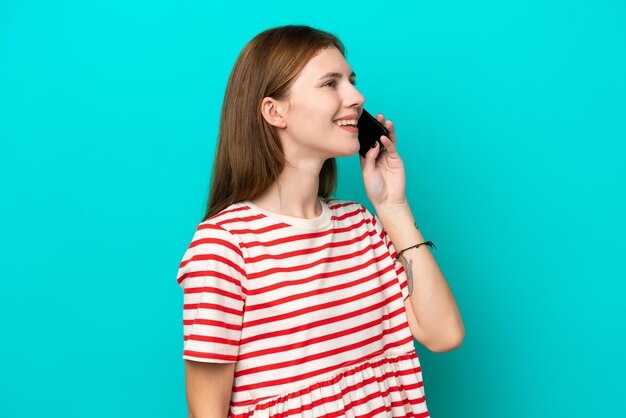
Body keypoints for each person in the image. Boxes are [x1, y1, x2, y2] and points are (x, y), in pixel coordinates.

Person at [176, 25, 465, 418]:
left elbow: (444, 334)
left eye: (351, 80)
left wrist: (393, 207)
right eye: (331, 83)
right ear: (274, 111)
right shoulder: (225, 246)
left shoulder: (360, 226)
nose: (356, 97)